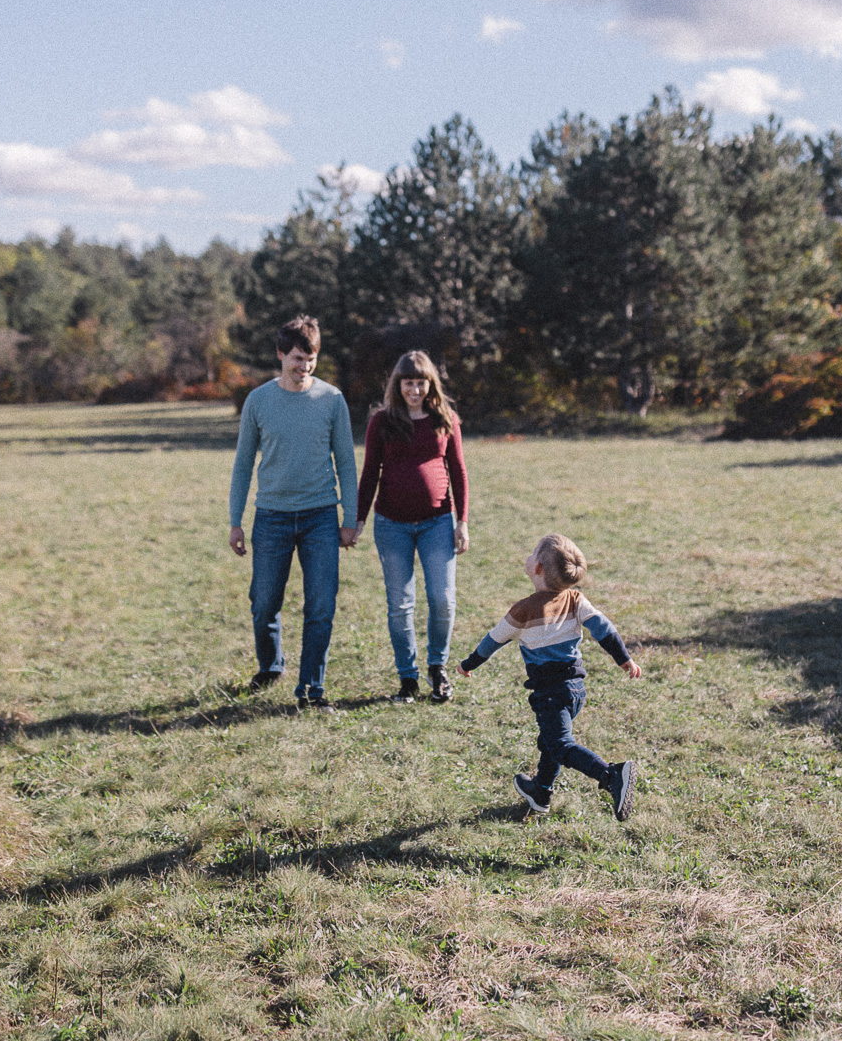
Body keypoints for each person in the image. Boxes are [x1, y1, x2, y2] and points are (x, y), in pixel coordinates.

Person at [458, 533, 642, 820]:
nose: (529, 557)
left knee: (559, 744)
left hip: (550, 694)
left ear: (539, 569)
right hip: (575, 690)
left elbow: (492, 641)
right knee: (550, 742)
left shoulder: (524, 610)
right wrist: (624, 659)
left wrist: (468, 663)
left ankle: (611, 775)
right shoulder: (575, 600)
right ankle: (540, 791)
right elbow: (604, 629)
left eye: (533, 553)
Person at [228, 316, 359, 711]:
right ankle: (271, 665)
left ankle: (310, 689)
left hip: (321, 516)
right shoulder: (258, 401)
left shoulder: (332, 400)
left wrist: (350, 518)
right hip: (272, 517)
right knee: (264, 600)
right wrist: (235, 521)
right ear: (281, 355)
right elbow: (243, 464)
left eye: (312, 359)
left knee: (321, 604)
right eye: (298, 358)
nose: (305, 367)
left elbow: (347, 463)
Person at [355, 350, 469, 705]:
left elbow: (459, 472)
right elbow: (370, 471)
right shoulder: (382, 421)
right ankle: (408, 678)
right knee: (400, 604)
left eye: (421, 382)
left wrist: (462, 521)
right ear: (398, 384)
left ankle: (438, 668)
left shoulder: (445, 419)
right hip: (391, 525)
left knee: (442, 599)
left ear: (430, 383)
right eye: (408, 383)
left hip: (438, 522)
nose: (415, 390)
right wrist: (357, 521)